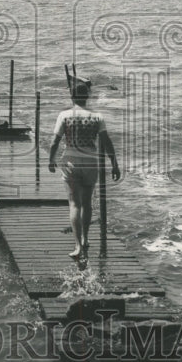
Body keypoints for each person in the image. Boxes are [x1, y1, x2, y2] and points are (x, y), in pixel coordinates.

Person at [48, 80, 120, 259]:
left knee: (74, 204)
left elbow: (55, 141)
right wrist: (114, 163)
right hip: (90, 162)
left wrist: (51, 160)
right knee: (87, 203)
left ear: (71, 96)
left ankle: (78, 246)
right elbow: (106, 141)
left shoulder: (64, 115)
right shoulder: (97, 117)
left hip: (71, 161)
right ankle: (86, 238)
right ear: (87, 97)